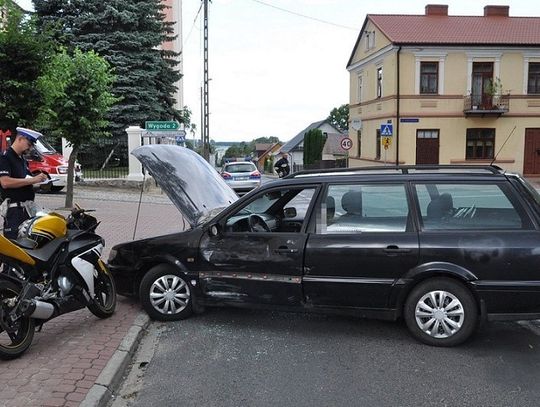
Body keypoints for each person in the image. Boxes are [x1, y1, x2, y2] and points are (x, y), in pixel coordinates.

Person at [0, 129, 48, 239]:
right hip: (14, 211)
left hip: (27, 210)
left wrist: (38, 181)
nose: (30, 148)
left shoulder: (22, 160)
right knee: (14, 244)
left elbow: (24, 180)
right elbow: (5, 182)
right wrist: (33, 180)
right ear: (20, 139)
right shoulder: (5, 157)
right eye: (29, 144)